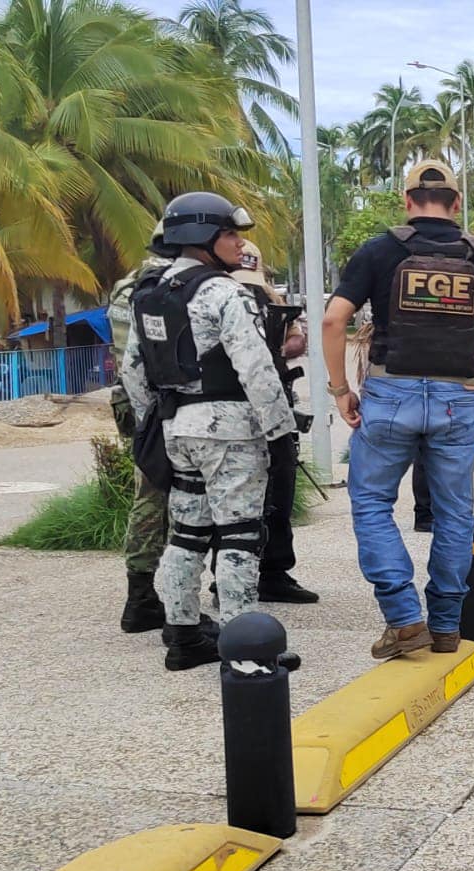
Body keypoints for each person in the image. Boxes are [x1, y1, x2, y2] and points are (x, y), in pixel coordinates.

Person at [322, 160, 474, 659]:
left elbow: (333, 320)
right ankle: (444, 626)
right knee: (454, 512)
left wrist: (340, 390)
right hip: (458, 397)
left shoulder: (380, 250)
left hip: (390, 393)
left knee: (372, 502)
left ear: (407, 200)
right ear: (456, 205)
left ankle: (402, 617)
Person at [119, 192, 295, 670]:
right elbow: (257, 368)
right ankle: (247, 648)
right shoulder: (224, 293)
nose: (239, 244)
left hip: (177, 430)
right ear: (202, 237)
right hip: (232, 431)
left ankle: (182, 633)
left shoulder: (148, 293)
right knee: (239, 534)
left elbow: (132, 371)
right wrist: (281, 434)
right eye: (231, 234)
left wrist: (155, 422)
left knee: (188, 532)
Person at [230, 240, 318, 604]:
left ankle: (274, 572)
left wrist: (282, 349)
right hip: (230, 408)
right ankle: (233, 577)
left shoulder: (272, 298)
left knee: (279, 486)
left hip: (275, 400)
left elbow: (297, 337)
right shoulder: (213, 296)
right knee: (234, 494)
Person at [108, 225, 181, 637]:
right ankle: (148, 598)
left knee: (148, 495)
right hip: (161, 406)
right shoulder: (165, 286)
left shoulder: (126, 285)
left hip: (134, 406)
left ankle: (142, 593)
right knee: (163, 499)